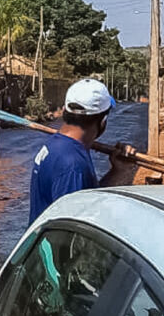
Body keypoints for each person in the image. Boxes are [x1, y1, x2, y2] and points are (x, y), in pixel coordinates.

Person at [29, 78, 115, 224]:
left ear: (64, 111)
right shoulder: (72, 164)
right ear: (103, 121)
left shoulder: (57, 145)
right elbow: (69, 229)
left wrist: (117, 171)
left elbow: (88, 198)